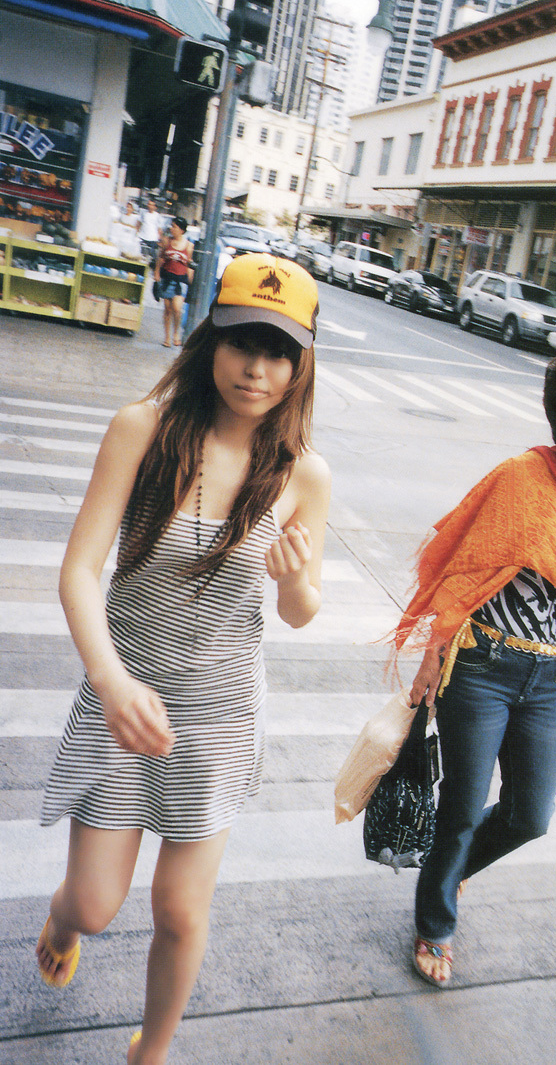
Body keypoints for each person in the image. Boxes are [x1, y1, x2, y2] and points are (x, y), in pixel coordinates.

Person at [35, 253, 331, 1064]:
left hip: (221, 711)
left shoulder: (306, 475)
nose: (257, 369)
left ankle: (152, 1050)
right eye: (243, 344)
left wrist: (299, 578)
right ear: (210, 342)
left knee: (180, 910)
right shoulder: (144, 428)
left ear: (300, 365)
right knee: (96, 906)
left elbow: (302, 615)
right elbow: (78, 570)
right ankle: (62, 919)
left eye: (278, 353)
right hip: (122, 687)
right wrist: (110, 678)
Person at [393, 334, 556, 988]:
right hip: (481, 668)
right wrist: (431, 660)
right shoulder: (523, 478)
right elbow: (465, 575)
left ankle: (450, 871)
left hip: (549, 678)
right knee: (461, 806)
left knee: (530, 816)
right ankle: (436, 924)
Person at [154, 216, 193, 348]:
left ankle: (176, 333)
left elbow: (188, 265)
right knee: (168, 309)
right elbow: (161, 258)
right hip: (166, 277)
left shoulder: (189, 246)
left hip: (180, 279)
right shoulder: (166, 241)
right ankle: (167, 337)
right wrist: (156, 273)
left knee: (177, 308)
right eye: (171, 226)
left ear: (181, 230)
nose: (172, 229)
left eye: (174, 226)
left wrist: (191, 282)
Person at [139, 198, 163, 267]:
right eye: (149, 204)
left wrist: (159, 239)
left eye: (152, 205)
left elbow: (159, 229)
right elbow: (139, 223)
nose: (150, 206)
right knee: (142, 255)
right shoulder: (144, 214)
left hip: (153, 239)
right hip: (143, 237)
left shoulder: (157, 216)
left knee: (152, 257)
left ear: (155, 207)